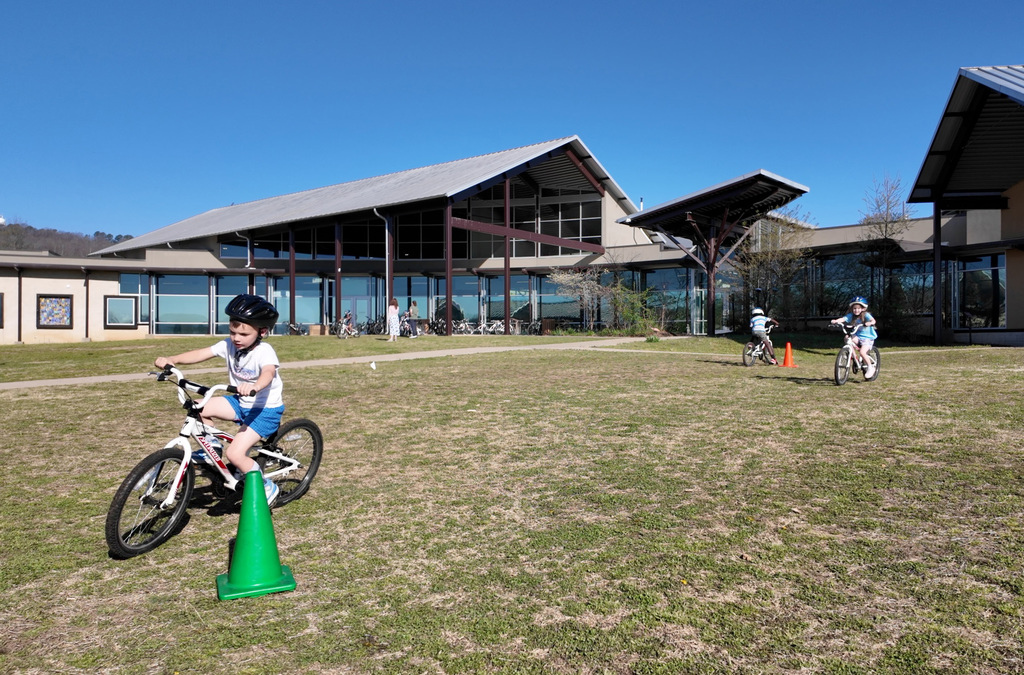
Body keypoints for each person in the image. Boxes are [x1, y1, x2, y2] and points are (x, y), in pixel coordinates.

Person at [153, 294, 284, 505]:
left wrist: (255, 386)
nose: (236, 338)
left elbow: (268, 373)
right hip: (241, 403)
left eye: (243, 333)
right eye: (232, 332)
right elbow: (201, 353)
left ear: (262, 332)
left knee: (235, 454)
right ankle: (211, 447)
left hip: (264, 409)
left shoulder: (264, 351)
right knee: (198, 408)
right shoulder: (228, 345)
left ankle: (266, 487)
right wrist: (173, 360)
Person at [830, 296, 878, 379]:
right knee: (847, 338)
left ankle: (870, 367)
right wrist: (836, 321)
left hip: (867, 338)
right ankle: (851, 354)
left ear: (863, 308)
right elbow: (843, 319)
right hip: (858, 336)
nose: (856, 310)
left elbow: (873, 321)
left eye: (859, 308)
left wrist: (869, 323)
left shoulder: (866, 315)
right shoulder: (851, 315)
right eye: (854, 308)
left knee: (862, 352)